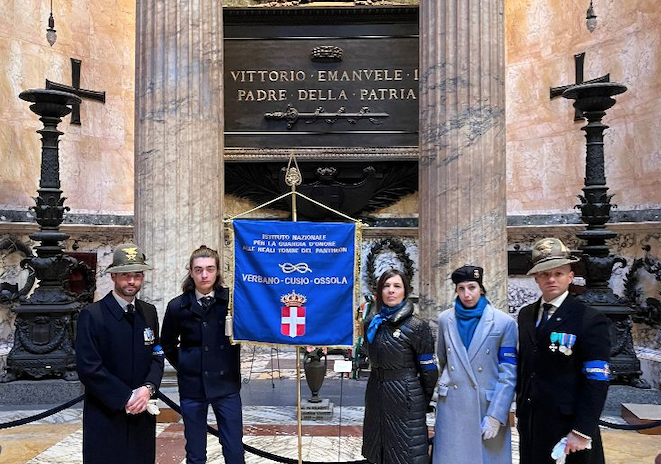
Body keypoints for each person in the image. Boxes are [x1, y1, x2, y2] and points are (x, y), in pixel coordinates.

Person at [517, 237, 611, 464]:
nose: (551, 279)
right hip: (532, 423)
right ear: (536, 278)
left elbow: (596, 379)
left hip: (568, 427)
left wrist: (582, 430)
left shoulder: (589, 318)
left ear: (570, 276)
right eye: (544, 274)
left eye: (558, 273)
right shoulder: (526, 315)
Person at [76, 243, 164, 464]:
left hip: (142, 411)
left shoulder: (149, 312)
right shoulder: (92, 315)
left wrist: (148, 388)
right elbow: (88, 368)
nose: (131, 281)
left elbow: (157, 354)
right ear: (113, 276)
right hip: (106, 414)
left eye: (137, 275)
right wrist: (126, 397)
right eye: (125, 275)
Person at [161, 245, 244, 464]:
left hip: (226, 384)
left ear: (218, 271)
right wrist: (186, 364)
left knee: (234, 449)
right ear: (190, 272)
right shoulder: (177, 306)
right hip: (193, 386)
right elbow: (167, 343)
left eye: (210, 269)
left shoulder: (232, 302)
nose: (204, 275)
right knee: (195, 452)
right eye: (198, 270)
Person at [433, 265, 517, 464]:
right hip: (452, 405)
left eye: (472, 287)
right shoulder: (445, 320)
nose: (467, 294)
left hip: (486, 407)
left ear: (481, 288)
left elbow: (509, 373)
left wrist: (496, 414)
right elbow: (443, 360)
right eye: (461, 288)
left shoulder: (503, 322)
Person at [362, 269, 438, 464]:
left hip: (405, 397)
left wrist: (418, 400)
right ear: (379, 291)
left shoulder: (416, 326)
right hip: (376, 394)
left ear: (405, 291)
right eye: (386, 286)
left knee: (406, 453)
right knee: (377, 451)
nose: (391, 291)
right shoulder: (372, 324)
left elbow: (429, 372)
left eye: (397, 286)